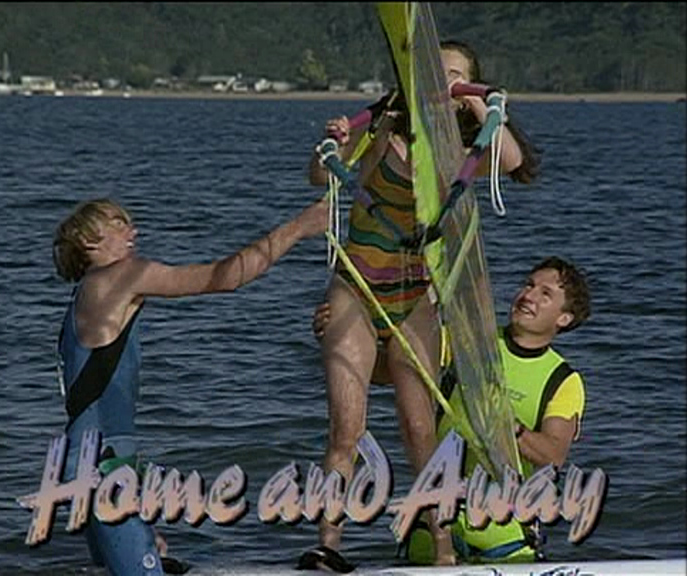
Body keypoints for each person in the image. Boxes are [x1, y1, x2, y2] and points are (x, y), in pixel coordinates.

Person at [298, 40, 540, 572]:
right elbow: (321, 174)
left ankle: (443, 550)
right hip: (357, 287)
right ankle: (328, 546)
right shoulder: (385, 122)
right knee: (345, 429)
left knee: (419, 432)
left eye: (455, 75)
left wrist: (478, 101)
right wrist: (335, 139)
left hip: (416, 297)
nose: (442, 81)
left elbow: (513, 160)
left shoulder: (463, 148)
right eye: (435, 71)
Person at [52, 195, 328, 576]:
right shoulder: (122, 275)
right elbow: (226, 277)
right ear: (88, 241)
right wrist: (299, 228)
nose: (133, 231)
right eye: (118, 224)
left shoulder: (85, 294)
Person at [310, 256, 591, 566]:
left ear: (564, 318)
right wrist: (339, 339)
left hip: (505, 541)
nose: (528, 295)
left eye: (545, 294)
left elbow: (553, 455)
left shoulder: (563, 380)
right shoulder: (465, 340)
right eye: (529, 285)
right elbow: (387, 372)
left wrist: (509, 427)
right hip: (430, 532)